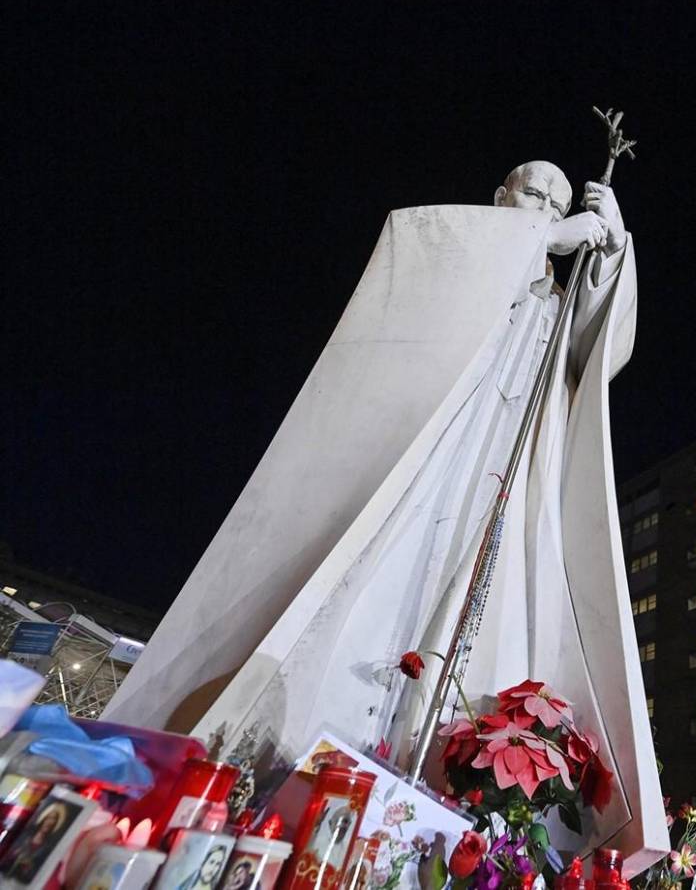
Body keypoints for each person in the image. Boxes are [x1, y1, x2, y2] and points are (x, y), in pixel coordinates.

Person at [108, 158, 665, 869]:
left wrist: (611, 252)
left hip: (508, 485)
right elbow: (435, 282)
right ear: (502, 196)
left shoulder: (554, 307)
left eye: (558, 204)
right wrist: (537, 241)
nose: (548, 212)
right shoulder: (465, 251)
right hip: (439, 460)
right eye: (533, 196)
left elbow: (597, 350)